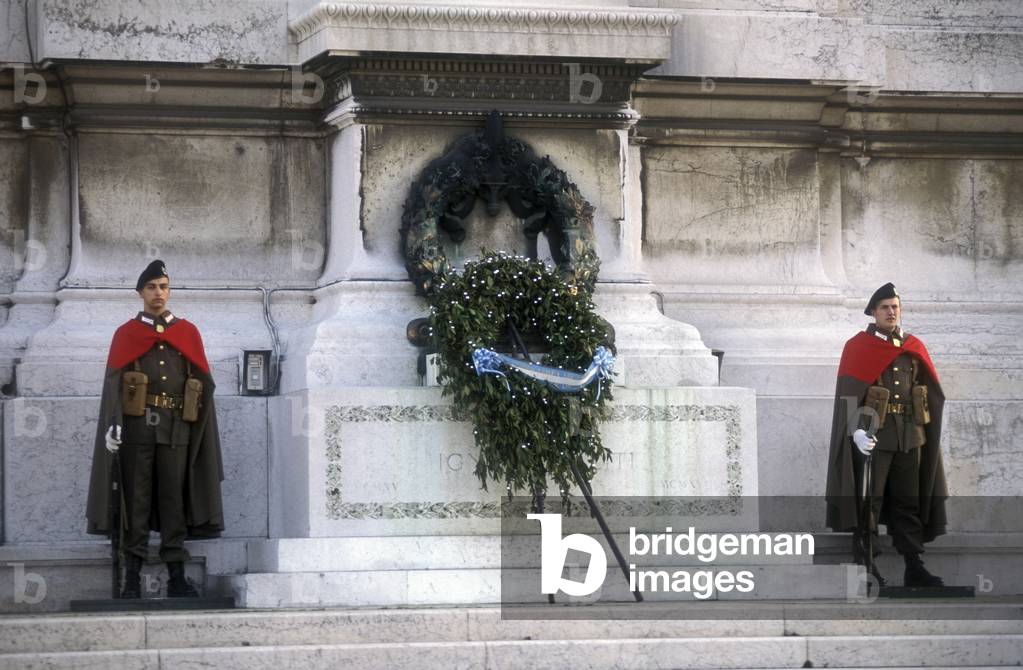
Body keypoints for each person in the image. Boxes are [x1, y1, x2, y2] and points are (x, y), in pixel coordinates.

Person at [85, 260, 224, 598]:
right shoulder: (126, 334)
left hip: (177, 430)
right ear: (140, 293)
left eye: (163, 286)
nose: (158, 293)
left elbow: (202, 382)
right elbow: (114, 384)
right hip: (137, 431)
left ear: (169, 290)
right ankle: (131, 579)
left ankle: (177, 576)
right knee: (136, 502)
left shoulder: (187, 332)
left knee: (174, 501)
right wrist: (114, 423)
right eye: (151, 287)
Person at [825, 282, 947, 588]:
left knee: (909, 500)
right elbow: (849, 395)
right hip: (874, 436)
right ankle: (866, 565)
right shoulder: (858, 346)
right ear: (873, 313)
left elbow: (925, 390)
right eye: (885, 307)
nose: (891, 312)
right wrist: (854, 431)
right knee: (870, 500)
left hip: (911, 435)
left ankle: (913, 565)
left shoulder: (912, 346)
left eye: (895, 306)